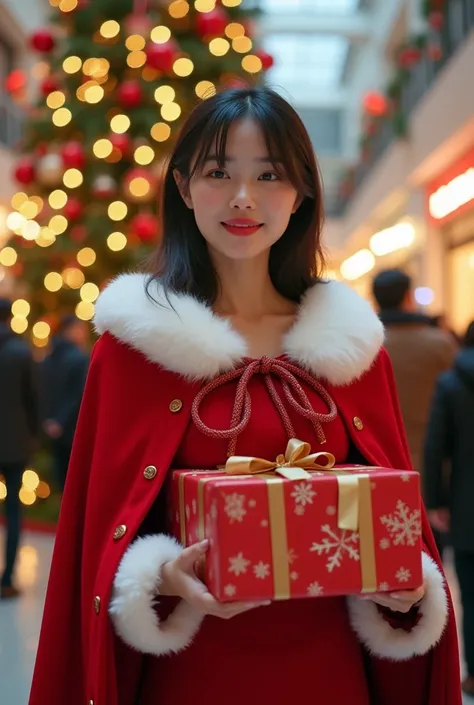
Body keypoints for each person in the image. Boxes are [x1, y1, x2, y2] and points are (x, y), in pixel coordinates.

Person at [29, 88, 461, 705]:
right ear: (182, 186)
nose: (242, 197)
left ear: (303, 191)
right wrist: (158, 575)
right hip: (192, 671)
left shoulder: (354, 351)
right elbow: (95, 538)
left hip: (329, 670)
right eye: (217, 172)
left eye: (269, 175)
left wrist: (407, 583)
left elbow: (391, 513)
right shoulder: (133, 352)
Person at [423, 321, 474, 697]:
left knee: (470, 592)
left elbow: (435, 445)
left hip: (467, 501)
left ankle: (473, 672)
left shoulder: (453, 382)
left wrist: (436, 500)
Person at [372, 269, 457, 474]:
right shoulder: (440, 343)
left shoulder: (365, 344)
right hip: (433, 458)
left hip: (379, 458)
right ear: (408, 297)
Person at [0, 298, 40, 599]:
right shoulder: (20, 352)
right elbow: (32, 400)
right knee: (13, 511)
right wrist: (34, 435)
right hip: (14, 443)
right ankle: (7, 579)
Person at [42, 315, 89, 491]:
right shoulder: (79, 358)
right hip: (72, 426)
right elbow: (77, 394)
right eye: (80, 329)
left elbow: (44, 390)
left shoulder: (49, 356)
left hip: (52, 426)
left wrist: (49, 419)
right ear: (70, 331)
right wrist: (61, 421)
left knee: (61, 478)